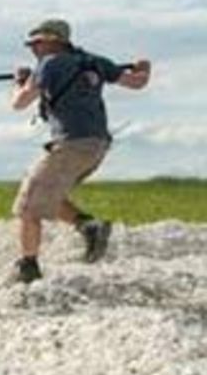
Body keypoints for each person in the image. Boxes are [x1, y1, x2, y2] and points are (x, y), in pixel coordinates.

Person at [8, 19, 152, 284]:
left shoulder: (49, 63)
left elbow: (19, 103)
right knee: (49, 192)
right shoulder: (95, 61)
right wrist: (144, 69)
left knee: (28, 203)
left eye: (37, 43)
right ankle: (89, 226)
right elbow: (137, 83)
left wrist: (20, 82)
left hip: (71, 144)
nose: (34, 49)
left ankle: (28, 267)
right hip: (96, 145)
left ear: (54, 40)